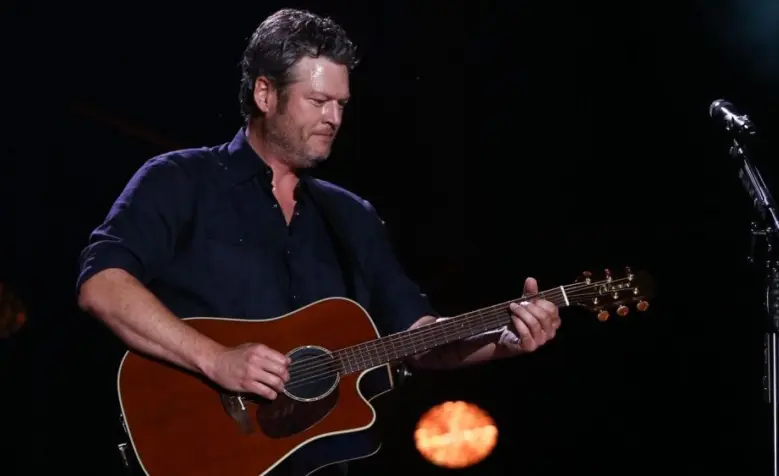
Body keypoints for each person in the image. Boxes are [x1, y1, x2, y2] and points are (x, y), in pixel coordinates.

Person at [76, 7, 560, 475]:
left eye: (341, 104)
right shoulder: (180, 180)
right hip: (194, 452)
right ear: (265, 94)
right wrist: (216, 359)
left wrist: (502, 340)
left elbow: (420, 340)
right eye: (318, 101)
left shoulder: (352, 217)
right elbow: (103, 286)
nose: (334, 118)